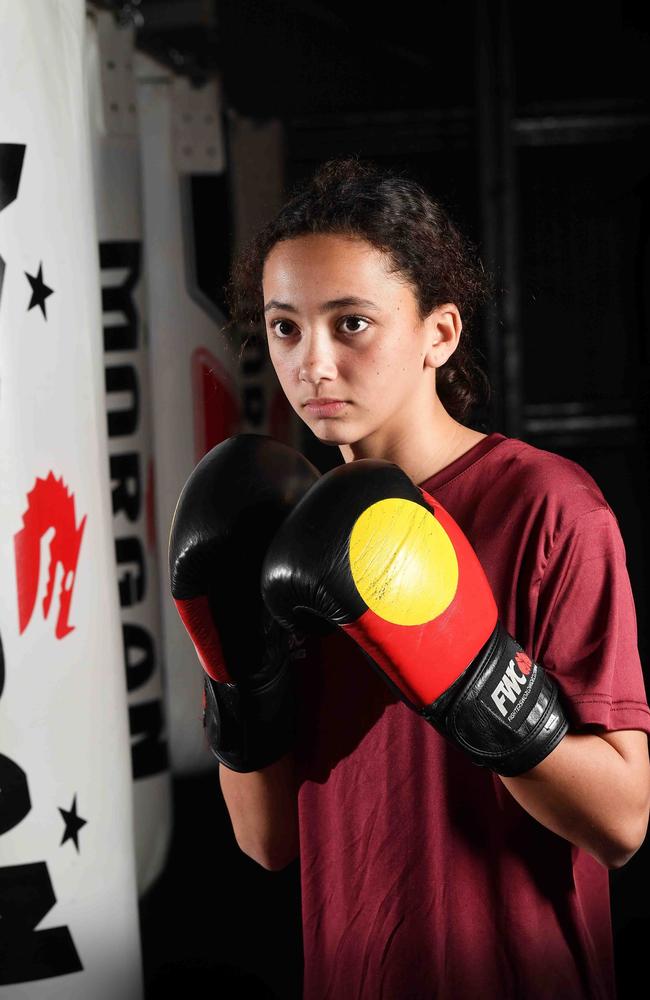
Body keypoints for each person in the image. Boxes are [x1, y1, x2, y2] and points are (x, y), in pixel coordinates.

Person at [218, 156, 650, 999]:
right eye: (284, 327)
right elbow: (265, 842)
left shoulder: (547, 507)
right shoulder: (276, 538)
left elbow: (623, 822)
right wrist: (236, 673)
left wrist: (466, 678)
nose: (312, 363)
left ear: (439, 333)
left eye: (351, 324)